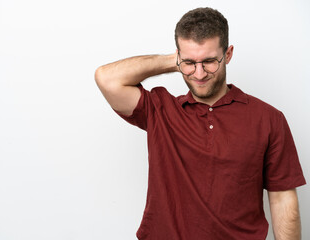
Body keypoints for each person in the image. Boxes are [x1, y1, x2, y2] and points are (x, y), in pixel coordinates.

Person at [94, 7, 306, 240]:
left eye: (209, 61)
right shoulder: (160, 110)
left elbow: (282, 199)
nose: (199, 73)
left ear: (228, 54)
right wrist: (172, 61)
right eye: (189, 63)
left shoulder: (268, 118)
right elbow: (107, 79)